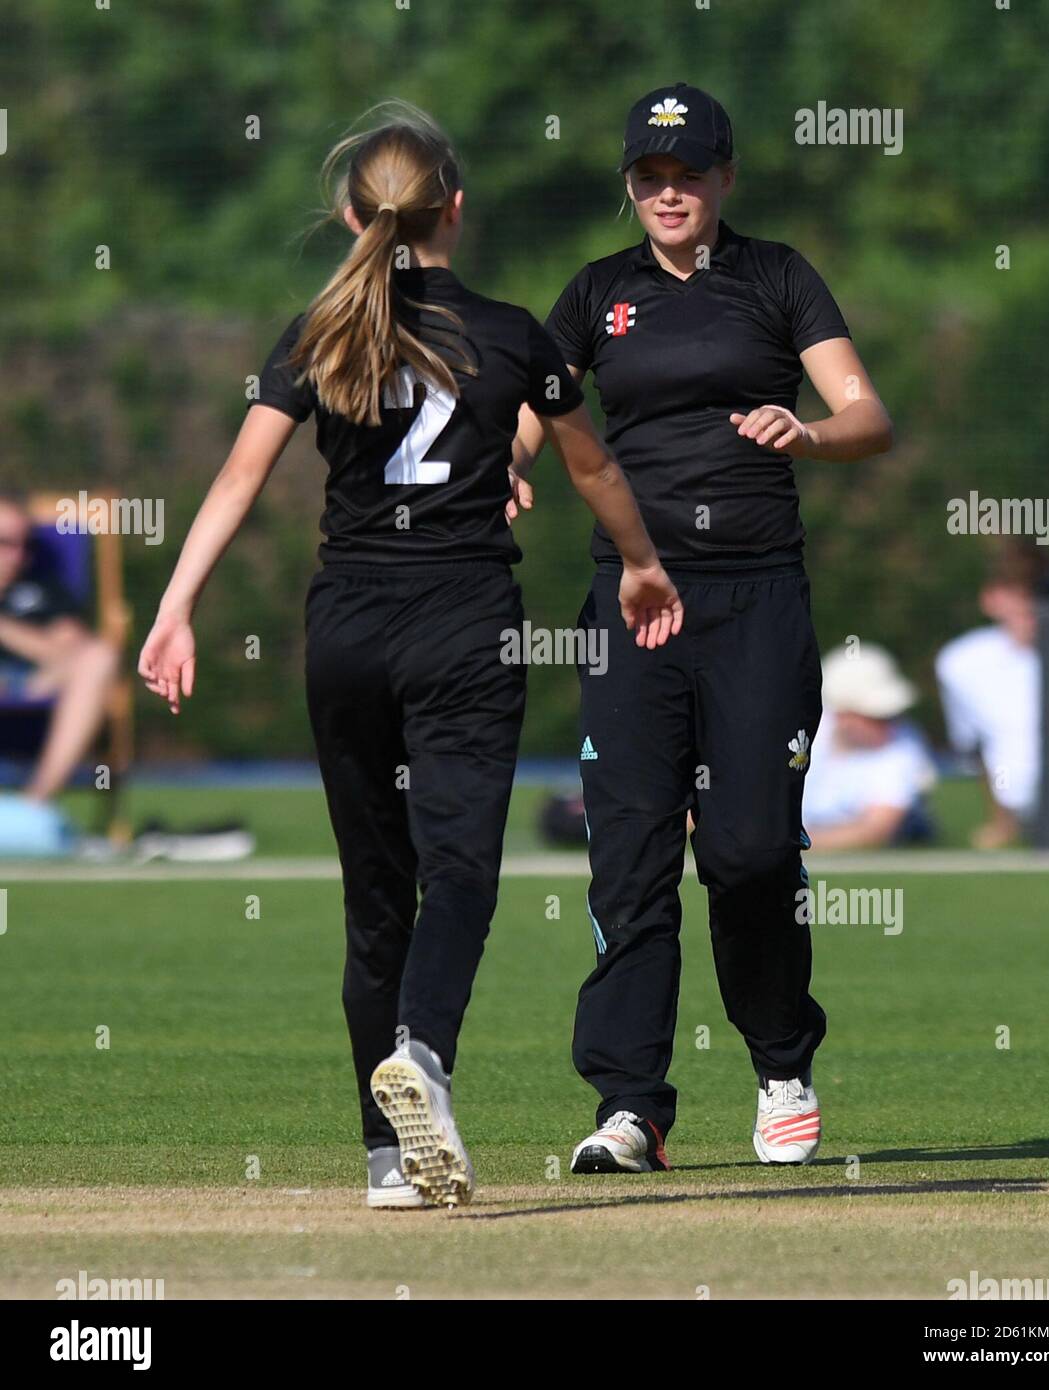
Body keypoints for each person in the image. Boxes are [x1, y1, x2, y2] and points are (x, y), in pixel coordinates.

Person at [138, 105, 682, 1210]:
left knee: (375, 897)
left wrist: (174, 607)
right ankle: (423, 1055)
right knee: (463, 873)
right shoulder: (516, 335)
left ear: (354, 214)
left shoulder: (318, 331)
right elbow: (593, 469)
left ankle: (387, 1161)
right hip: (461, 625)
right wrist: (642, 564)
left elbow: (239, 481)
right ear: (458, 210)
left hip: (345, 628)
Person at [511, 83, 894, 1170]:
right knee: (627, 858)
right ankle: (631, 1106)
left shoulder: (777, 276)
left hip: (755, 601)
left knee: (750, 848)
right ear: (629, 185)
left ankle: (780, 1065)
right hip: (632, 607)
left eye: (687, 175)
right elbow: (538, 410)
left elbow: (868, 415)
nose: (667, 193)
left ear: (723, 177)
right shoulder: (596, 292)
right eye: (649, 177)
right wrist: (505, 468)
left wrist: (808, 433)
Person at [0, 493, 119, 825]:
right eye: (4, 543)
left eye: (25, 545)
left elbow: (74, 650)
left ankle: (32, 809)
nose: (17, 556)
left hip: (31, 689)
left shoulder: (41, 590)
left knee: (99, 657)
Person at [935, 542, 1045, 848]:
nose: (1028, 605)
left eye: (1034, 592)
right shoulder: (961, 662)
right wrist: (1003, 824)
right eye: (1018, 593)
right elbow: (978, 748)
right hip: (1025, 809)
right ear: (991, 599)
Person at [802, 644, 937, 850]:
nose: (889, 725)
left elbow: (874, 831)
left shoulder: (904, 748)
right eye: (876, 716)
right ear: (841, 715)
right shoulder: (801, 732)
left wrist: (784, 846)